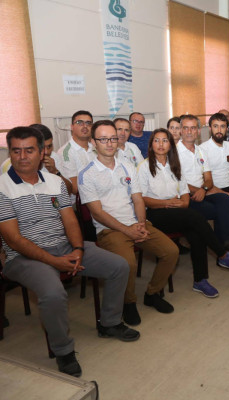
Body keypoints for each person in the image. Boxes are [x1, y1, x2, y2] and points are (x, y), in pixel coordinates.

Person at [0, 126, 139, 377]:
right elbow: (14, 240)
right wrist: (54, 261)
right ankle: (63, 350)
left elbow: (71, 221)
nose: (22, 156)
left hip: (64, 246)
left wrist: (77, 249)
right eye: (16, 151)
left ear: (42, 152)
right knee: (53, 293)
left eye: (29, 150)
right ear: (10, 153)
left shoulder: (55, 183)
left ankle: (109, 323)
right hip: (22, 257)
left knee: (119, 266)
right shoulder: (2, 187)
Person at [78, 120, 179, 326]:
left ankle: (152, 294)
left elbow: (138, 200)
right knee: (128, 263)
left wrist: (140, 224)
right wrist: (127, 230)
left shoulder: (128, 167)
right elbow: (97, 213)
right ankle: (128, 303)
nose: (109, 143)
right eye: (103, 139)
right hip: (109, 230)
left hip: (136, 223)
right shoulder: (86, 174)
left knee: (171, 251)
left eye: (113, 138)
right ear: (93, 142)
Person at [138, 129, 229, 298]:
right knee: (196, 217)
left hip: (177, 209)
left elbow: (184, 195)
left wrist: (181, 203)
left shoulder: (175, 165)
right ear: (151, 145)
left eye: (165, 141)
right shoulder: (144, 167)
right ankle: (223, 253)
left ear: (170, 145)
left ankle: (200, 281)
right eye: (156, 141)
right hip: (155, 212)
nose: (160, 144)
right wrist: (167, 203)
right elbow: (142, 199)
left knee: (197, 233)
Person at [176, 115, 229, 250]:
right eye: (185, 128)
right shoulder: (174, 152)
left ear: (198, 131)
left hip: (203, 191)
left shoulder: (200, 151)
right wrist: (199, 190)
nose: (189, 131)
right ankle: (222, 248)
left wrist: (205, 190)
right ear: (180, 130)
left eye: (193, 128)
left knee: (225, 199)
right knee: (218, 210)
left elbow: (209, 180)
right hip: (184, 195)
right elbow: (176, 181)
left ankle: (227, 245)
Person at [1, 124, 73, 193]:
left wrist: (54, 171)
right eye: (43, 147)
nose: (46, 152)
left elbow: (69, 191)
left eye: (49, 146)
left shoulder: (54, 157)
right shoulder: (12, 165)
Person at [56, 110, 96, 195]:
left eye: (88, 123)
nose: (85, 126)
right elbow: (75, 188)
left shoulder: (95, 148)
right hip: (80, 200)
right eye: (79, 122)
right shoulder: (65, 152)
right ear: (72, 127)